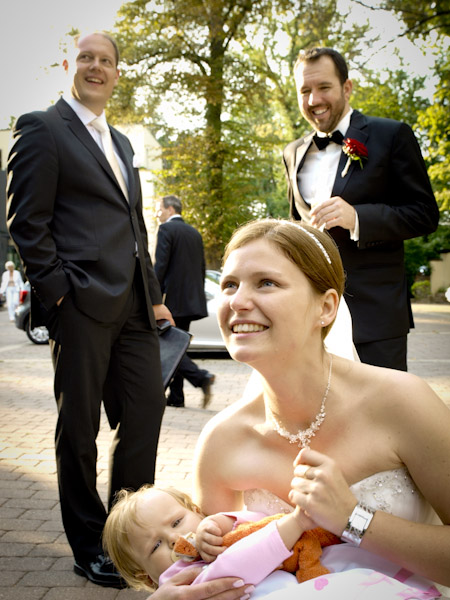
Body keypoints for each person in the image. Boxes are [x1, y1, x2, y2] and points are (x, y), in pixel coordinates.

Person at [193, 219, 450, 599]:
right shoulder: (221, 442)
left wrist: (353, 519)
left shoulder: (402, 403)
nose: (237, 301)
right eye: (230, 284)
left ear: (326, 307)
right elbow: (219, 579)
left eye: (266, 282)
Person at [6, 31, 173, 588]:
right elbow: (26, 222)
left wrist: (154, 297)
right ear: (69, 65)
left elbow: (135, 225)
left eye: (106, 60)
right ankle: (87, 544)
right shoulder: (42, 127)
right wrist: (57, 295)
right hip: (79, 300)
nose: (96, 67)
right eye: (87, 58)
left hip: (133, 305)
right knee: (77, 429)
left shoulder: (123, 143)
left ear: (118, 74)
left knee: (145, 415)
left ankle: (126, 537)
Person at [283, 47, 439, 371]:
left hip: (375, 317)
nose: (313, 100)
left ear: (347, 87)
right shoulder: (292, 152)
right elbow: (296, 222)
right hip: (312, 318)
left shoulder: (391, 135)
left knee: (382, 419)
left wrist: (358, 218)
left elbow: (425, 213)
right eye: (305, 91)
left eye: (323, 87)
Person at [103, 484, 316, 596]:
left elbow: (258, 525)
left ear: (198, 513)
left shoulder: (219, 538)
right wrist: (296, 523)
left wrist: (223, 521)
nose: (173, 539)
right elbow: (239, 563)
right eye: (156, 545)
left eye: (176, 522)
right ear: (148, 578)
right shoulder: (181, 583)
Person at [155, 195, 215, 408]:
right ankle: (176, 397)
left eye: (159, 209)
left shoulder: (166, 230)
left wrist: (154, 299)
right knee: (178, 345)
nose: (157, 214)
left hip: (173, 301)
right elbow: (201, 268)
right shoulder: (194, 233)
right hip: (192, 301)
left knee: (170, 346)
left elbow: (160, 267)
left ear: (170, 209)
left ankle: (201, 377)